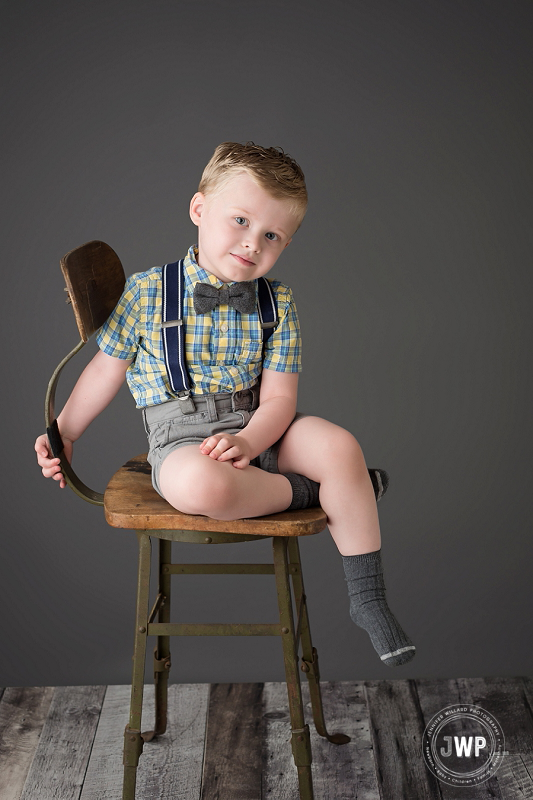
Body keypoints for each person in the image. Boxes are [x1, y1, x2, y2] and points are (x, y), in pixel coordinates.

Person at [35, 142, 415, 667]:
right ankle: (326, 494)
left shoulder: (277, 302)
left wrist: (250, 439)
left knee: (339, 444)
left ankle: (368, 598)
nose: (251, 243)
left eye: (271, 236)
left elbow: (281, 398)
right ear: (198, 210)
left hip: (262, 426)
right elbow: (103, 370)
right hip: (183, 440)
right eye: (239, 220)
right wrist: (66, 432)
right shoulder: (147, 293)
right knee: (200, 484)